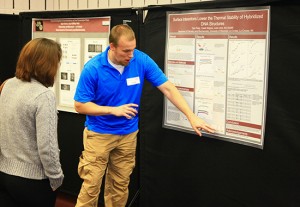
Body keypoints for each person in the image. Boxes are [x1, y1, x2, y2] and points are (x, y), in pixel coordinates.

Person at [74, 24, 215, 207]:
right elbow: (79, 105)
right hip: (99, 134)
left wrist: (190, 115)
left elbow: (168, 88)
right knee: (91, 187)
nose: (130, 55)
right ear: (112, 46)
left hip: (128, 135)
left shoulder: (141, 60)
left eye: (133, 49)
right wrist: (112, 110)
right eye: (126, 51)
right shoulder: (93, 68)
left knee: (120, 186)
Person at [0, 38, 64, 207]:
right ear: (47, 64)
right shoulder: (44, 96)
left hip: (4, 175)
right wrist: (56, 178)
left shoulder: (7, 85)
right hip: (33, 181)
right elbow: (47, 147)